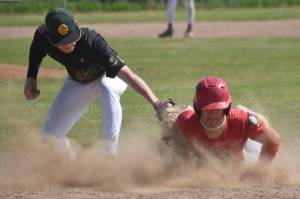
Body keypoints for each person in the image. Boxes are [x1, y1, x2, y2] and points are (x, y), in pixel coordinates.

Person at [24, 8, 164, 156]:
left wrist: (156, 103)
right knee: (49, 138)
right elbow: (37, 49)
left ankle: (110, 155)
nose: (69, 44)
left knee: (107, 86)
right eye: (63, 42)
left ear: (76, 25)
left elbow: (127, 75)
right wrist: (31, 78)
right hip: (78, 81)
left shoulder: (93, 42)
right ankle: (74, 167)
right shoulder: (42, 36)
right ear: (49, 36)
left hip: (108, 75)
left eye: (72, 37)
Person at [174, 76, 281, 168]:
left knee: (259, 124)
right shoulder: (186, 121)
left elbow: (273, 141)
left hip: (244, 150)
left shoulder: (241, 121)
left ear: (226, 108)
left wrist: (259, 170)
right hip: (208, 158)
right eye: (207, 109)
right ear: (198, 109)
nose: (213, 114)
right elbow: (172, 140)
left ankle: (248, 112)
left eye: (218, 109)